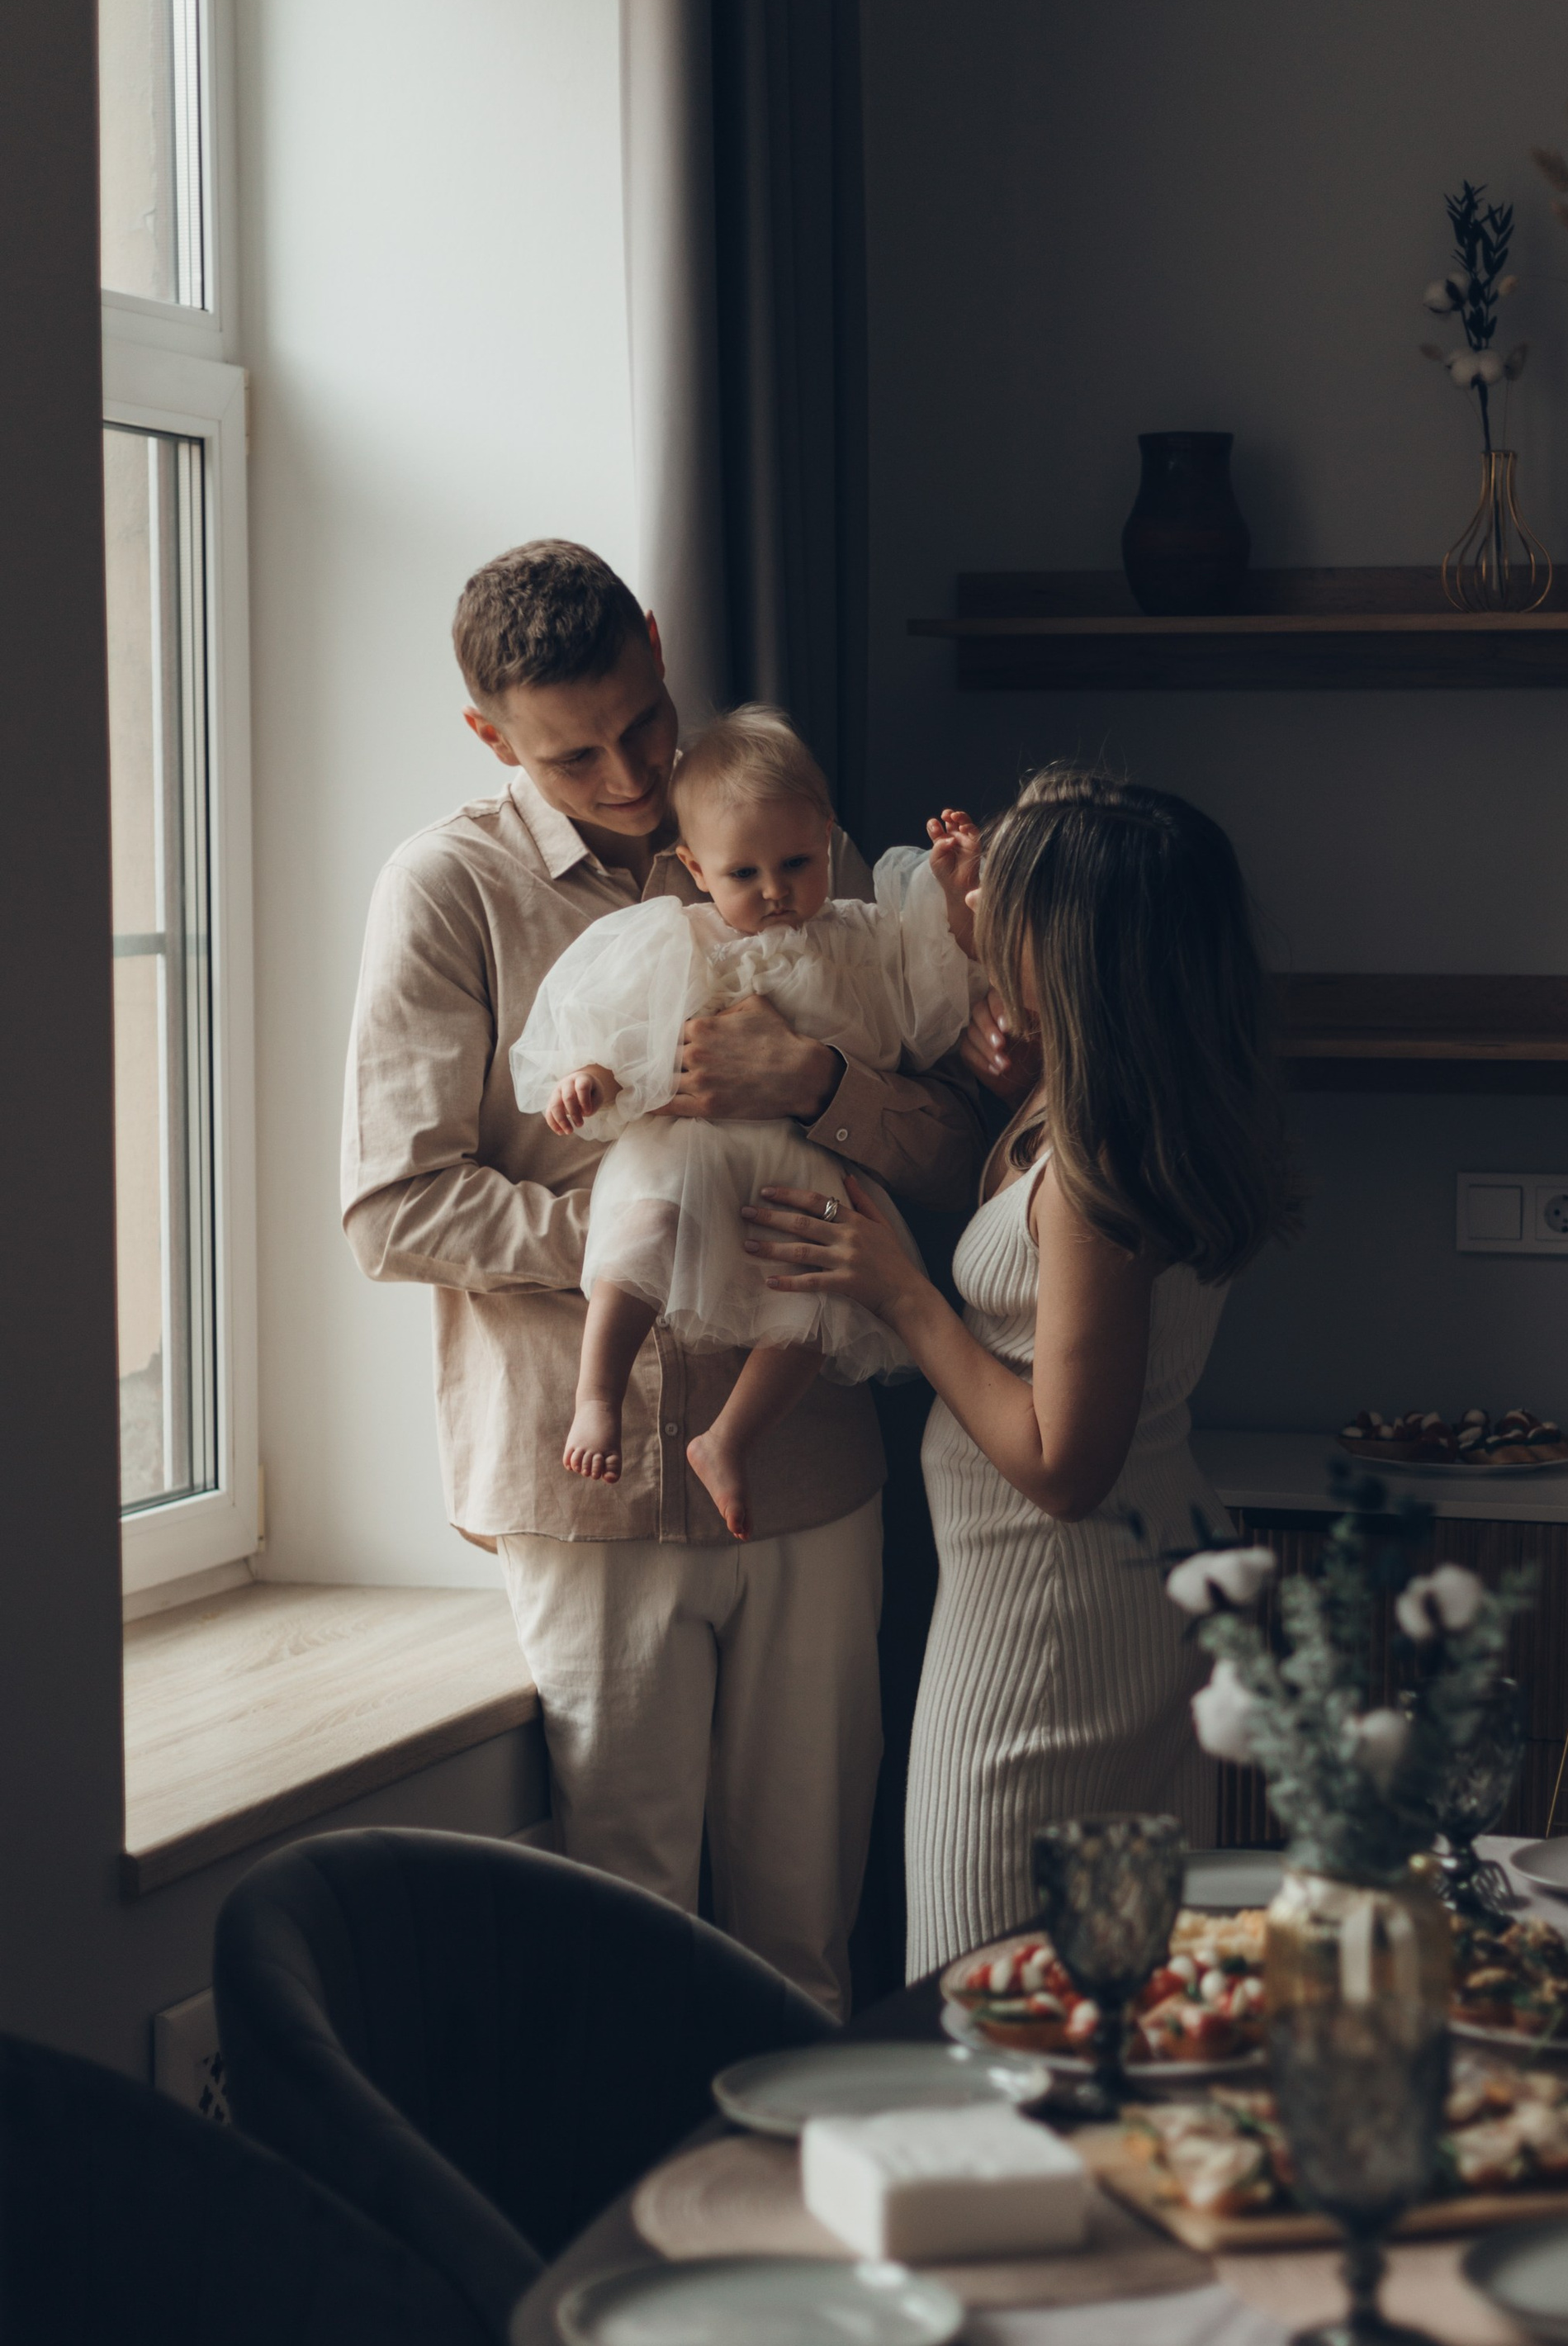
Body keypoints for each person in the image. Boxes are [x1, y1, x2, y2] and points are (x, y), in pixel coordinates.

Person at [341, 539, 990, 2018]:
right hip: (593, 1485)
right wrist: (677, 1235)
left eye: (643, 720)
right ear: (490, 739)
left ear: (653, 639)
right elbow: (391, 1206)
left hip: (815, 1465)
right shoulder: (450, 890)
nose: (633, 774)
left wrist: (818, 1085)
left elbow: (955, 1154)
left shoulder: (774, 832)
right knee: (625, 1943)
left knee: (809, 1935)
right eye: (576, 753)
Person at [738, 766, 1297, 1979]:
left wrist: (904, 1292)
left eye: (1012, 906)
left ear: (1078, 955)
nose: (982, 914)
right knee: (1117, 1991)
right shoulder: (1118, 1101)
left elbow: (1063, 1464)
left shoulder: (1098, 1174)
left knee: (978, 1998)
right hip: (1107, 1598)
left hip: (1045, 1623)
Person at [510, 703, 983, 1541]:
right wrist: (586, 1075)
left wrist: (951, 903)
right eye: (742, 875)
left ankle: (726, 1440)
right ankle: (597, 1392)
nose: (772, 892)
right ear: (695, 867)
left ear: (828, 836)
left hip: (801, 1161)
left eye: (796, 863)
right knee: (641, 1232)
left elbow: (928, 1007)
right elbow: (615, 1023)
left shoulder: (866, 940)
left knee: (815, 1306)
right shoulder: (677, 939)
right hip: (688, 1154)